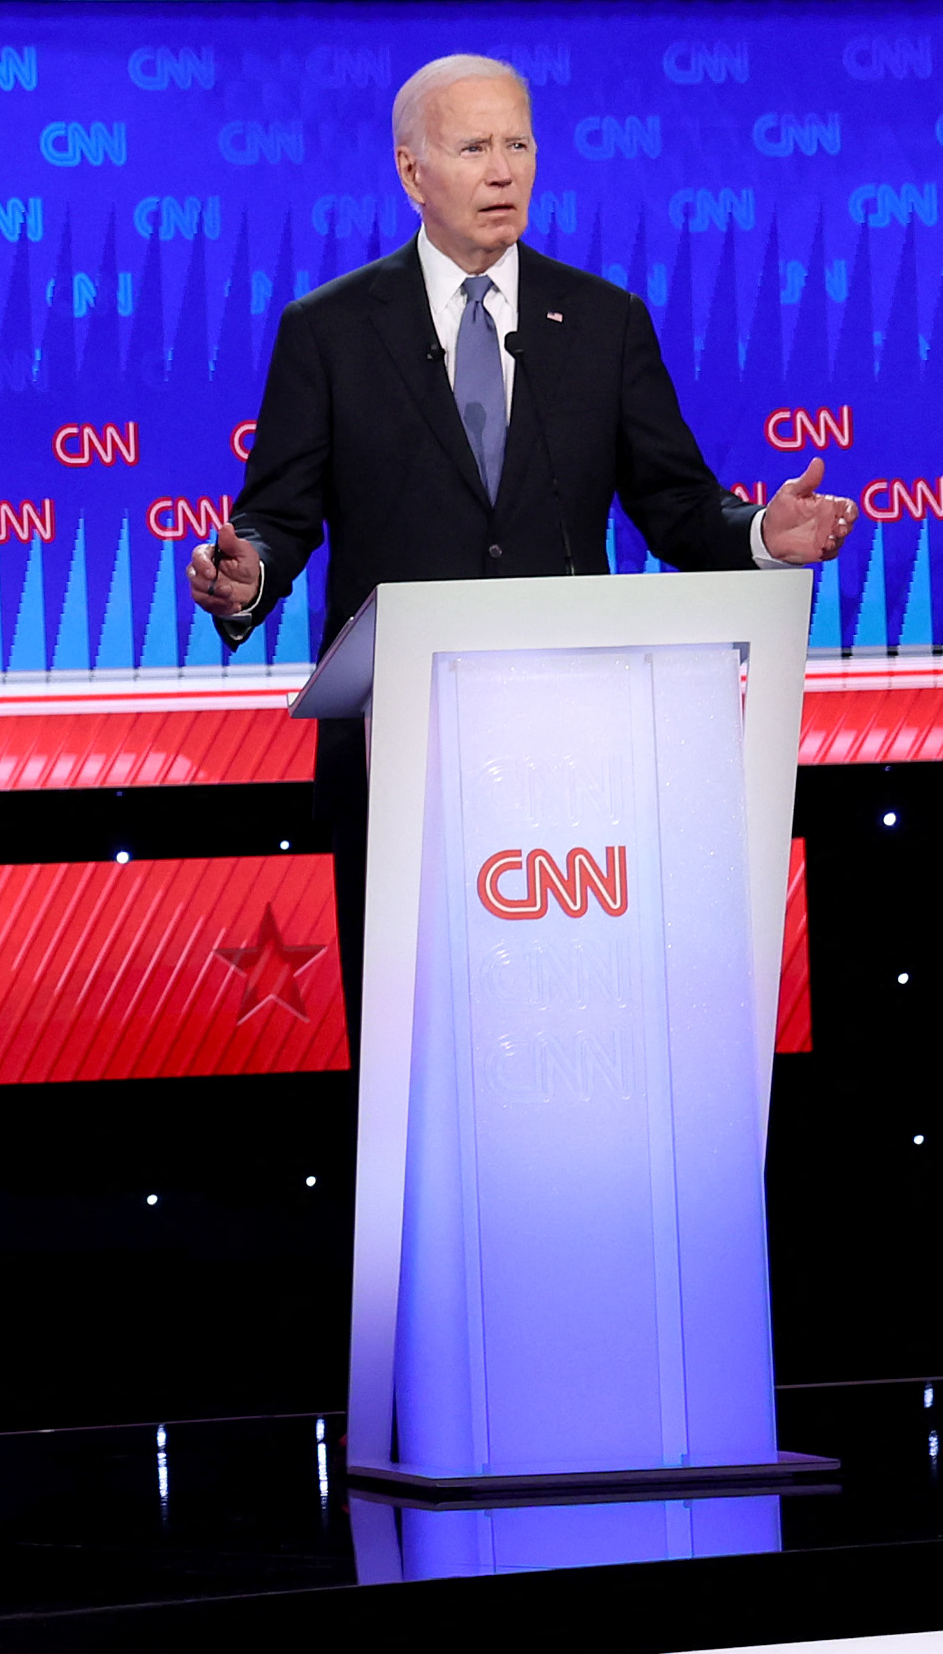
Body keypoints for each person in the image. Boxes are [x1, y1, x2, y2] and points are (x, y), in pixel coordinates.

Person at [189, 52, 855, 1053]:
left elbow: (674, 503)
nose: (503, 171)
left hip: (579, 742)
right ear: (414, 172)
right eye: (473, 149)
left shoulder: (601, 322)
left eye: (518, 144)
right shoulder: (327, 331)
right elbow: (281, 516)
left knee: (578, 1031)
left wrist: (761, 533)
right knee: (418, 1043)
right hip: (400, 750)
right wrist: (249, 577)